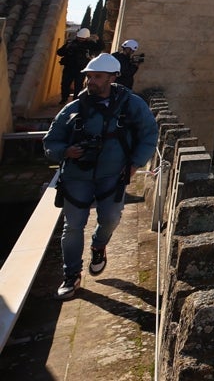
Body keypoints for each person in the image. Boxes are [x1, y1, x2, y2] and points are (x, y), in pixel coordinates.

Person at [44, 53, 158, 300]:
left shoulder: (132, 105)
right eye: (89, 76)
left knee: (111, 218)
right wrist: (65, 151)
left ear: (112, 77)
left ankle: (98, 246)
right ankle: (71, 275)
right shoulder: (73, 108)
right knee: (72, 226)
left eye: (97, 77)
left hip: (113, 175)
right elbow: (50, 142)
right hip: (76, 175)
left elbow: (150, 134)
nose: (90, 81)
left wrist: (135, 164)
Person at [56, 28, 98, 104]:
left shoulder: (89, 45)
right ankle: (64, 98)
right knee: (65, 83)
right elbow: (59, 52)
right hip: (69, 67)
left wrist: (97, 39)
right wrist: (67, 48)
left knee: (78, 85)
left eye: (82, 38)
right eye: (79, 38)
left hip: (81, 69)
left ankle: (76, 100)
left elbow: (100, 47)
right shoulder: (71, 43)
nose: (80, 39)